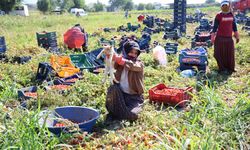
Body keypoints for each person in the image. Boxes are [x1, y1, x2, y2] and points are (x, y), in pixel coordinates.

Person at [105, 41, 144, 121]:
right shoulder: (119, 62)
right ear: (125, 52)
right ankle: (114, 112)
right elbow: (113, 64)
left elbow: (132, 65)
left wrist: (120, 60)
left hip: (134, 97)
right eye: (131, 52)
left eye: (135, 53)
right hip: (121, 94)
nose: (133, 55)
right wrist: (110, 55)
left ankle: (119, 113)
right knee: (113, 88)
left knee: (133, 115)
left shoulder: (139, 64)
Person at [211, 0, 239, 74]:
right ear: (221, 7)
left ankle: (230, 68)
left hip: (229, 38)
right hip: (220, 37)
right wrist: (212, 37)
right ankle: (222, 68)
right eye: (223, 5)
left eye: (226, 5)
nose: (225, 7)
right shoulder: (219, 15)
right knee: (218, 53)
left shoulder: (231, 15)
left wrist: (237, 35)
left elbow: (234, 26)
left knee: (229, 53)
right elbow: (215, 27)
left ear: (228, 6)